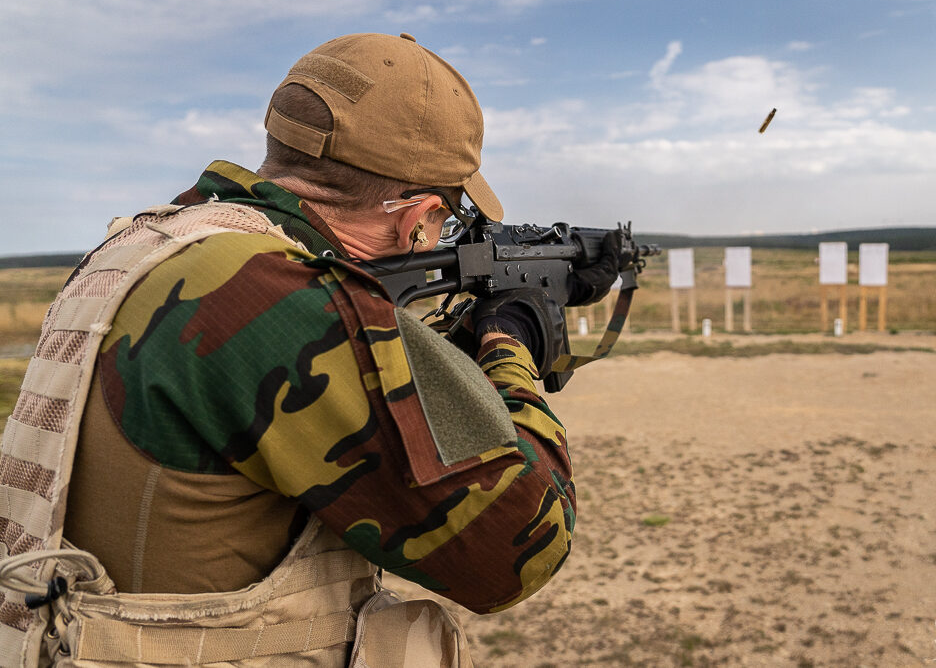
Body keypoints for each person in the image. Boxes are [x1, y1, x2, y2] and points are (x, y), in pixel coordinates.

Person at [0, 33, 621, 666]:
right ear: (418, 217)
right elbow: (518, 551)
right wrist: (507, 340)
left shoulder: (147, 244)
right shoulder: (276, 298)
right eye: (447, 220)